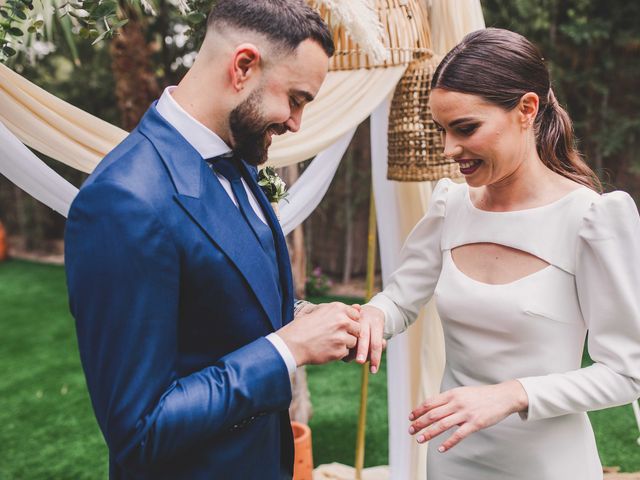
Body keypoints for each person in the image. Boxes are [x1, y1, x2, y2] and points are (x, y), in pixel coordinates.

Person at [64, 1, 362, 478]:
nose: (296, 122)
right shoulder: (123, 201)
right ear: (243, 66)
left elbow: (217, 298)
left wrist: (311, 318)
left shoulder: (238, 157)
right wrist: (288, 350)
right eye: (297, 98)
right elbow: (139, 429)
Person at [355, 28, 640, 479]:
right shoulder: (449, 204)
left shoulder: (592, 220)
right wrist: (371, 316)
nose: (450, 150)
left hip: (548, 465)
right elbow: (400, 299)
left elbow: (627, 373)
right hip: (453, 459)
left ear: (526, 109)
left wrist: (512, 394)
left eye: (466, 128)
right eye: (443, 130)